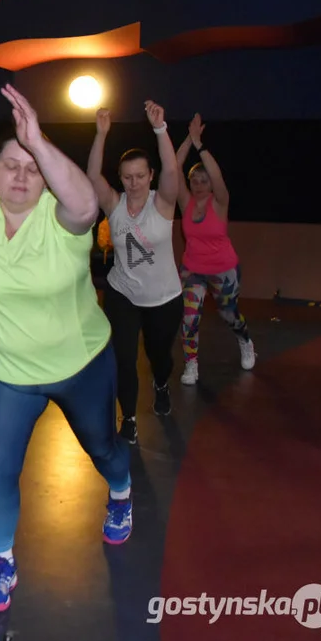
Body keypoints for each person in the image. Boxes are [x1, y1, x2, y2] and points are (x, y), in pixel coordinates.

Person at [0, 63, 132, 612]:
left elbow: (86, 205)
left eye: (31, 168)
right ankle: (2, 560)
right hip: (8, 374)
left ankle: (122, 491)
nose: (20, 176)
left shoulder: (62, 219)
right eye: (10, 166)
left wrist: (38, 140)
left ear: (45, 175)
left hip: (81, 362)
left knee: (101, 445)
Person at [85, 103, 183, 443]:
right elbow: (93, 176)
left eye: (141, 176)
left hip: (164, 298)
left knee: (160, 357)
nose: (134, 182)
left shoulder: (163, 203)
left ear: (150, 176)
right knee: (123, 358)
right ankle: (128, 417)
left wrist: (160, 129)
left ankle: (160, 383)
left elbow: (172, 170)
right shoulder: (114, 205)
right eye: (127, 177)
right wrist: (100, 134)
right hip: (122, 293)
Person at [174, 113, 254, 384]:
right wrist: (188, 138)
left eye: (203, 181)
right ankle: (191, 364)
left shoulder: (219, 202)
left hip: (223, 269)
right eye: (194, 181)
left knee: (228, 313)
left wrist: (201, 145)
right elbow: (173, 169)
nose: (198, 185)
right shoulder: (185, 203)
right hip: (193, 269)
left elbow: (218, 176)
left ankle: (244, 340)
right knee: (189, 318)